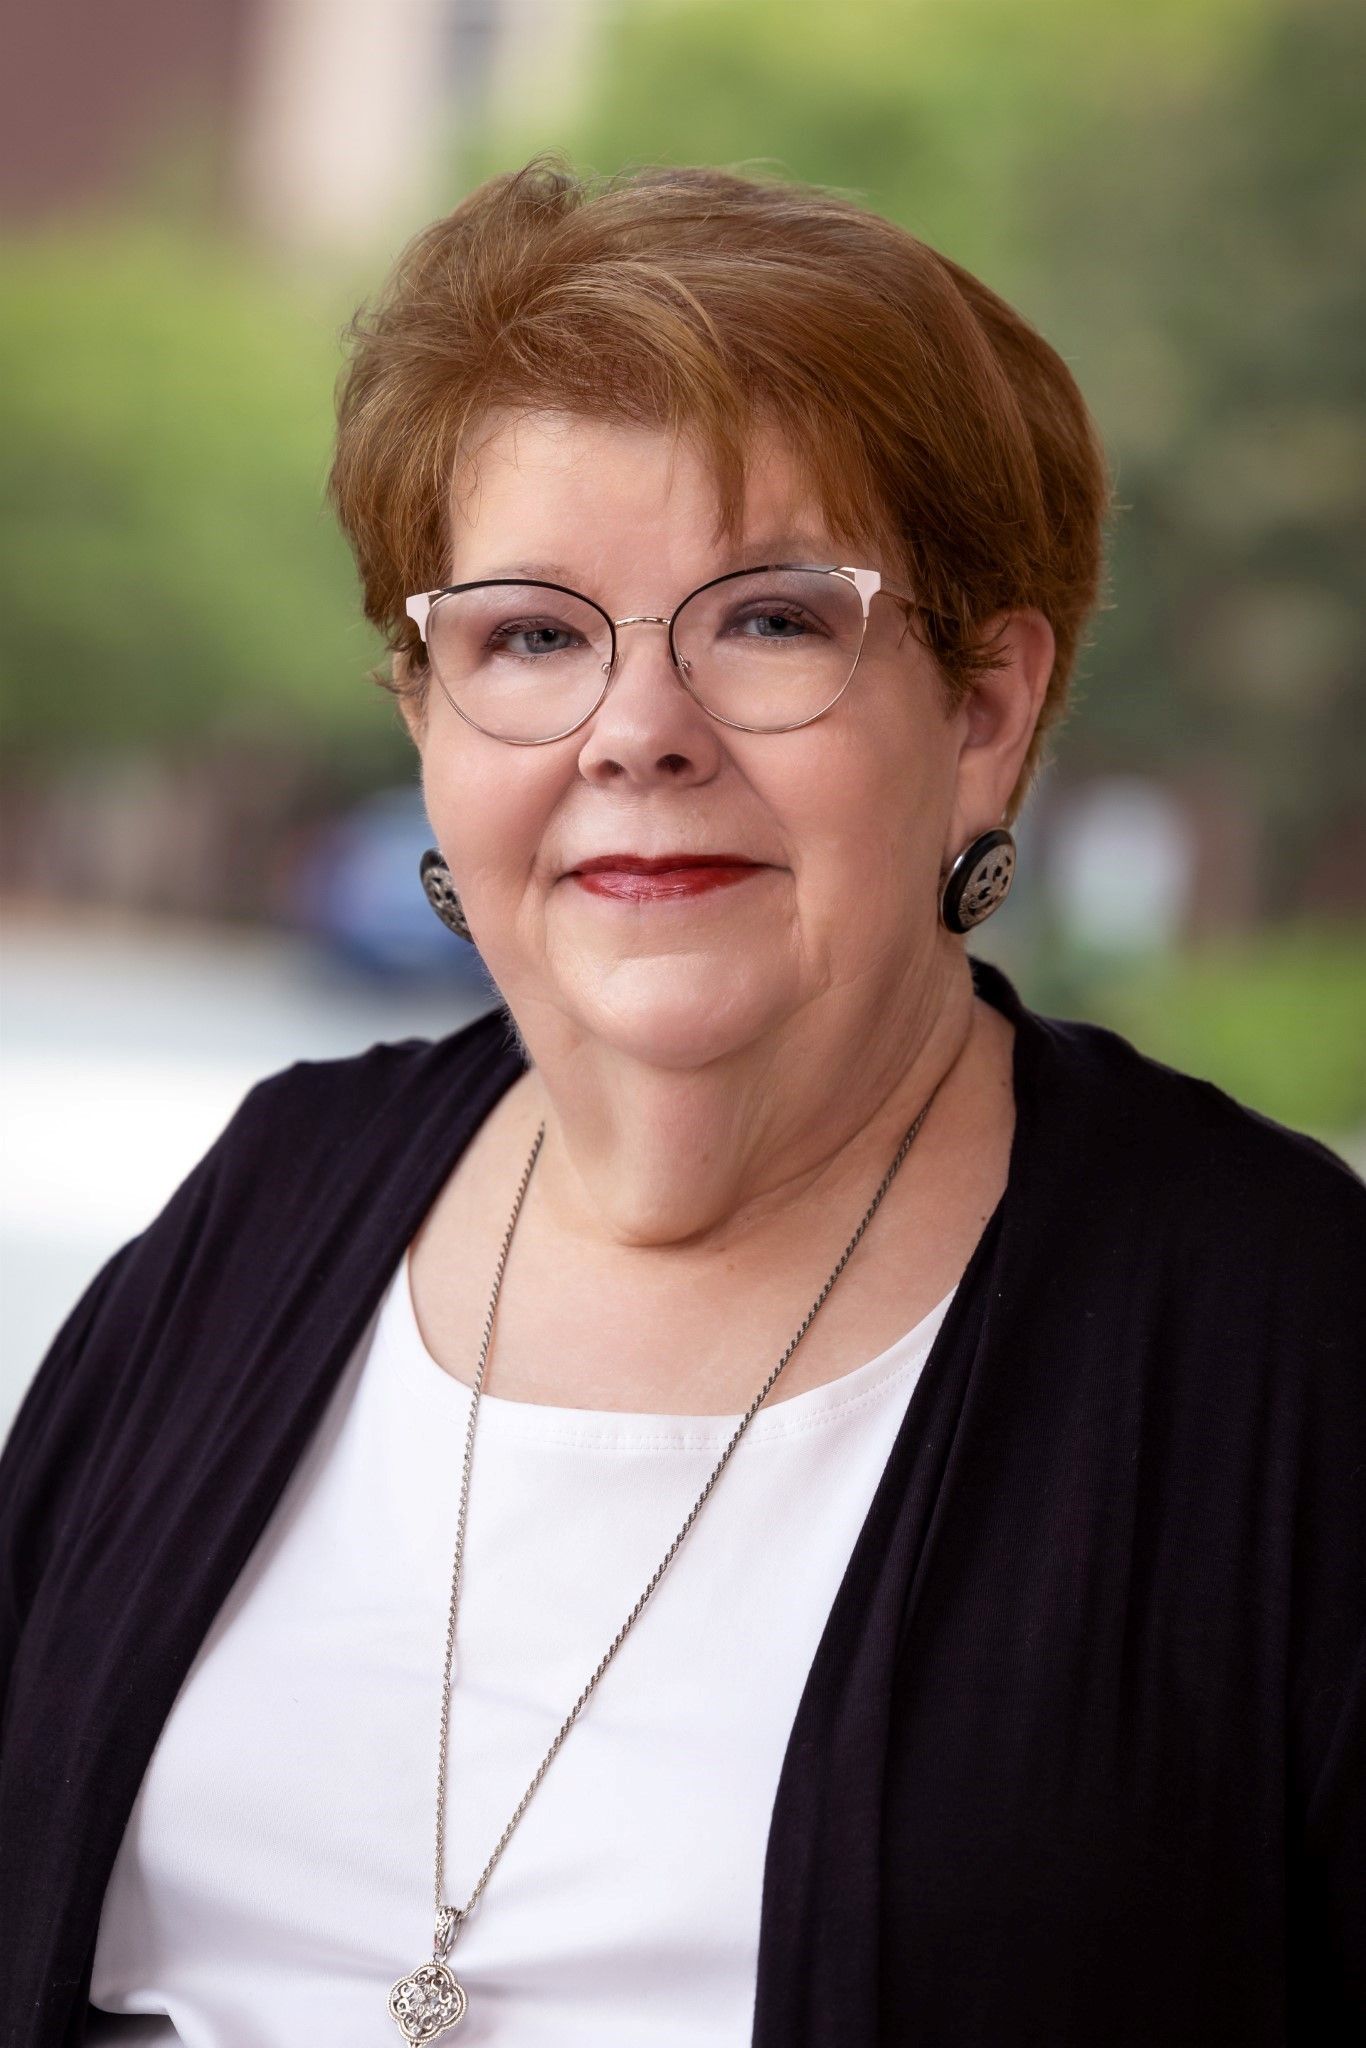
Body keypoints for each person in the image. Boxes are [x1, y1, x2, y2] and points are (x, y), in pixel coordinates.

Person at [1, 156, 1362, 2048]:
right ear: (428, 723)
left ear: (983, 709)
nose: (637, 731)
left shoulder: (1286, 1342)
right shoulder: (271, 1194)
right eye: (531, 637)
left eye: (770, 620)